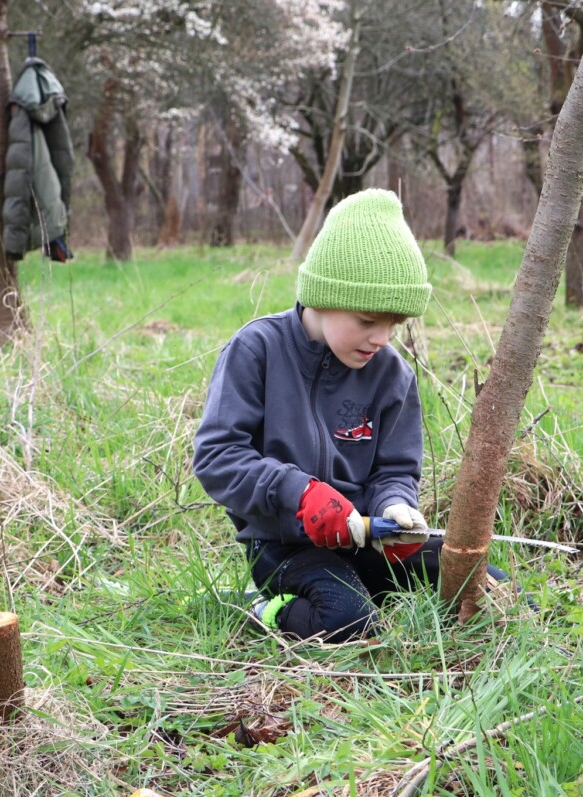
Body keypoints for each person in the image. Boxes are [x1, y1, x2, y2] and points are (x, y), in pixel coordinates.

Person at [193, 188, 450, 643]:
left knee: (479, 577)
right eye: (368, 320)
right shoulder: (257, 350)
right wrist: (298, 493)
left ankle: (365, 586)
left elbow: (395, 468)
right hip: (283, 545)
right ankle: (264, 607)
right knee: (350, 622)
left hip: (367, 539)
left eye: (394, 324)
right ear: (324, 295)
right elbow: (217, 458)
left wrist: (395, 507)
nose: (381, 339)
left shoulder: (392, 374)